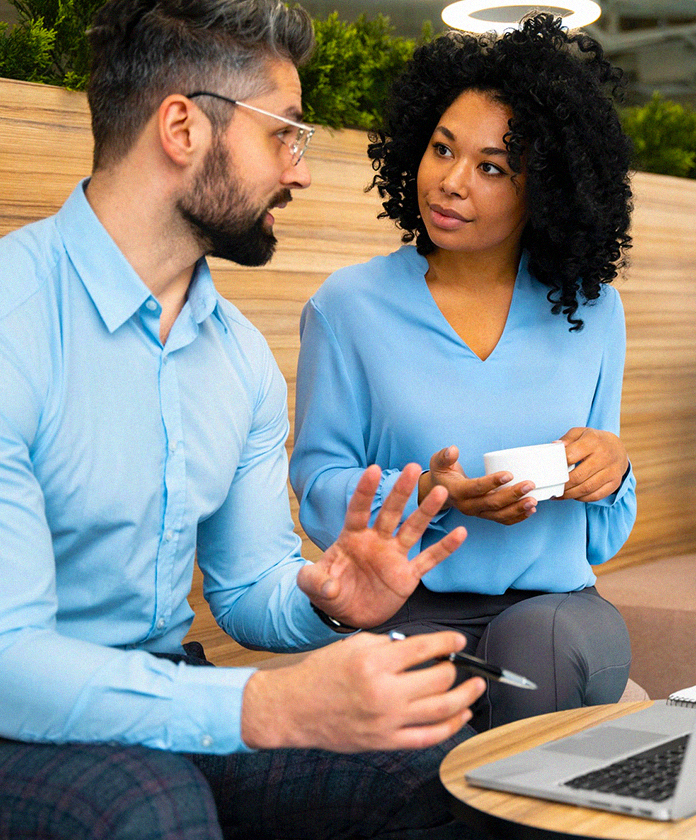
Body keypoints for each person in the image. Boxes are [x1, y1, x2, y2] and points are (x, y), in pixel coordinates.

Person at [0, 1, 492, 838]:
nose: (298, 173)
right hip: (18, 716)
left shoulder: (239, 362)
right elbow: (9, 663)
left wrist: (329, 598)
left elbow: (244, 587)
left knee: (436, 765)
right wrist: (263, 704)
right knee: (152, 809)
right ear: (183, 128)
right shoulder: (14, 318)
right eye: (284, 135)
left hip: (164, 687)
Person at [290, 13, 635, 732]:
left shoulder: (592, 313)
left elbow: (602, 535)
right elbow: (319, 489)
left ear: (545, 189)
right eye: (442, 150)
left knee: (532, 652)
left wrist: (614, 471)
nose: (450, 182)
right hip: (406, 605)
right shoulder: (347, 307)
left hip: (559, 611)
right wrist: (431, 495)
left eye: (491, 168)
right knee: (418, 714)